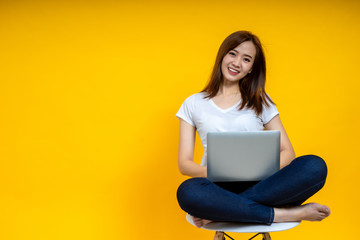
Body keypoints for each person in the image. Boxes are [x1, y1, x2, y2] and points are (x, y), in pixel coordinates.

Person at [176, 31, 331, 228]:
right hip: (217, 187)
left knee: (314, 165)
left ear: (251, 69)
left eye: (246, 59)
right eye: (233, 53)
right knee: (188, 191)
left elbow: (288, 152)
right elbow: (184, 164)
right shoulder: (193, 103)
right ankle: (281, 214)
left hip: (263, 184)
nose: (237, 63)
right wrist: (219, 173)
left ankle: (224, 212)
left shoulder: (261, 101)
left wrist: (260, 171)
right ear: (222, 56)